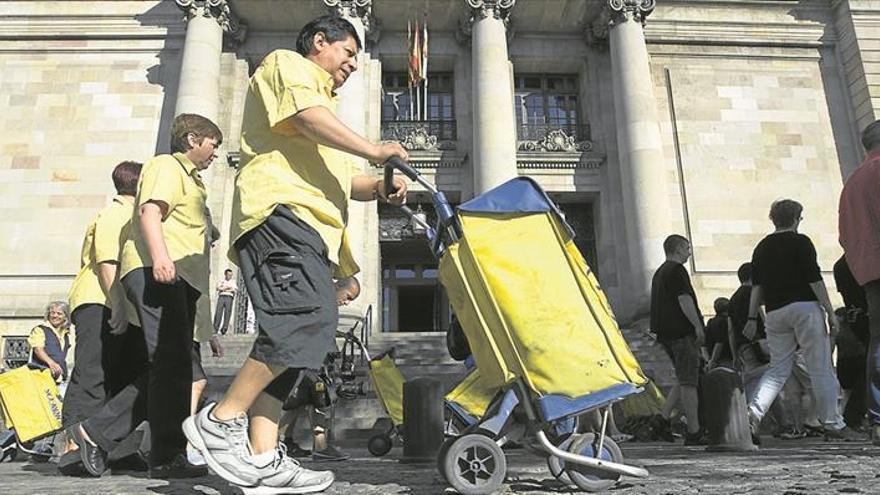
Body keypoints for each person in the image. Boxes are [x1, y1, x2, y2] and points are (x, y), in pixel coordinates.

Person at [183, 15, 408, 494]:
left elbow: (348, 182)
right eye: (348, 53)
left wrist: (384, 185)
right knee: (306, 319)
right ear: (320, 42)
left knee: (294, 341)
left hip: (308, 229)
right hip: (279, 214)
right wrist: (374, 148)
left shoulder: (325, 111)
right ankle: (221, 420)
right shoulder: (287, 66)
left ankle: (263, 457)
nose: (352, 64)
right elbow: (306, 118)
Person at [67, 113, 222, 479]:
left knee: (174, 368)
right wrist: (162, 258)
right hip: (159, 272)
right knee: (170, 364)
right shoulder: (167, 166)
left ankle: (164, 454)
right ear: (192, 139)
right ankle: (105, 433)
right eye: (213, 142)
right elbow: (151, 210)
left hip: (179, 278)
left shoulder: (192, 180)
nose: (216, 151)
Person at [743, 199, 863, 442]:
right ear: (797, 218)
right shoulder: (801, 242)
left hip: (775, 312)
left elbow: (757, 287)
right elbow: (814, 280)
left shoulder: (761, 247)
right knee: (820, 366)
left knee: (778, 369)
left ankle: (752, 414)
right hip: (804, 307)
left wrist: (752, 317)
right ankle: (832, 421)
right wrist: (830, 311)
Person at [61, 161, 142, 464]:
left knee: (122, 374)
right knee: (92, 374)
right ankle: (76, 449)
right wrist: (118, 304)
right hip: (100, 301)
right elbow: (108, 261)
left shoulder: (129, 215)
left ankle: (115, 446)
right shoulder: (115, 214)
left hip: (118, 305)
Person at [280, 277, 360, 462]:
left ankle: (284, 441)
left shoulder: (324, 301)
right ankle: (319, 446)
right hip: (308, 358)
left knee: (300, 402)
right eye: (348, 297)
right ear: (338, 286)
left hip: (314, 357)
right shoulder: (319, 298)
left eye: (351, 301)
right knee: (318, 399)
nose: (347, 303)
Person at [838, 119, 880, 446]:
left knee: (878, 346)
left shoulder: (851, 183)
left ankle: (878, 419)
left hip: (869, 276)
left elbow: (844, 238)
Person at [649, 234, 707, 445]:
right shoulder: (676, 270)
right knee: (690, 382)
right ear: (678, 248)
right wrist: (698, 326)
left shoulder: (659, 273)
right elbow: (684, 299)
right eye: (687, 247)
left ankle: (662, 418)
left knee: (684, 377)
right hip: (681, 333)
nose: (689, 252)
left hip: (665, 334)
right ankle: (694, 430)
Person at [27, 301, 72, 391]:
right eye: (52, 313)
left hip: (59, 380)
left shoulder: (65, 335)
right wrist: (51, 363)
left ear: (65, 317)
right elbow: (38, 349)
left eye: (59, 313)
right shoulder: (40, 330)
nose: (55, 316)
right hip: (42, 378)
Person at [704, 297, 733, 370]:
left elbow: (703, 344)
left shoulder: (710, 322)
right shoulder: (725, 322)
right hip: (725, 359)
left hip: (712, 359)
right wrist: (713, 361)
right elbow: (720, 342)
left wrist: (709, 361)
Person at [214, 269, 237, 335]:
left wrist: (224, 288)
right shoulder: (221, 281)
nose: (230, 276)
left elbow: (234, 289)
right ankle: (215, 328)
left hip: (229, 297)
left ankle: (224, 329)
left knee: (227, 313)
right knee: (218, 312)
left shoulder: (233, 282)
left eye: (231, 275)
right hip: (221, 297)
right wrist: (227, 288)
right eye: (228, 275)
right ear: (225, 274)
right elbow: (218, 288)